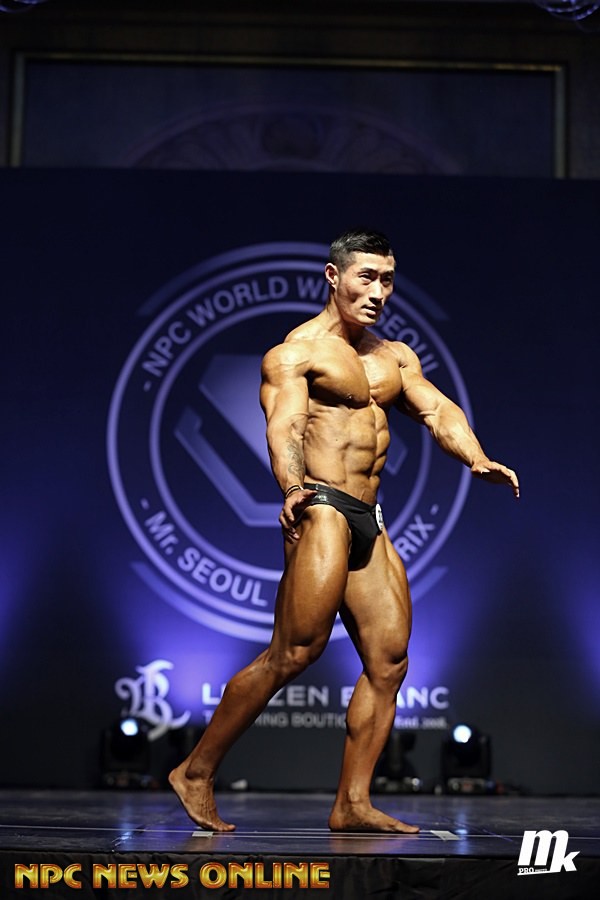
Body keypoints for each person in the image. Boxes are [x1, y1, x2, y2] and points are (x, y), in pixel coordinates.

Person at [169, 228, 519, 833]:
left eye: (388, 280)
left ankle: (352, 802)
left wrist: (475, 456)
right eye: (367, 278)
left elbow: (437, 409)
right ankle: (195, 771)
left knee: (389, 662)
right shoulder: (295, 354)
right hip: (322, 505)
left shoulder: (394, 357)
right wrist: (291, 487)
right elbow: (284, 425)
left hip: (369, 517)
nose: (379, 292)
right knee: (294, 652)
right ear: (334, 277)